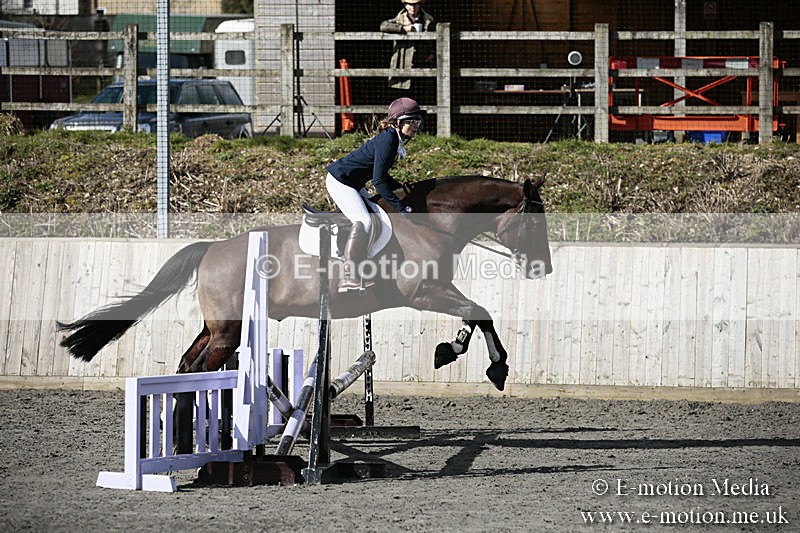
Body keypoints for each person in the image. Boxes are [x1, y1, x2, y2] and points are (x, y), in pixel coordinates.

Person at [325, 97, 422, 292]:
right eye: (411, 121)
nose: (415, 126)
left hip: (354, 183)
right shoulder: (388, 140)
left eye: (417, 121)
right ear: (397, 122)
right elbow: (379, 181)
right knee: (364, 221)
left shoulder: (393, 139)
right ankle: (349, 276)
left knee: (378, 215)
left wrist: (402, 189)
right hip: (340, 182)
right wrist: (400, 206)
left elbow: (383, 176)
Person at [380, 0, 436, 91]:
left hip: (423, 61)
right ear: (405, 5)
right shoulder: (399, 19)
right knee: (403, 91)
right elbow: (383, 26)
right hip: (404, 60)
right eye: (410, 5)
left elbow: (436, 40)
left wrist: (432, 54)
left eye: (415, 4)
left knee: (423, 90)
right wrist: (402, 28)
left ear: (420, 5)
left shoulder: (429, 20)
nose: (413, 7)